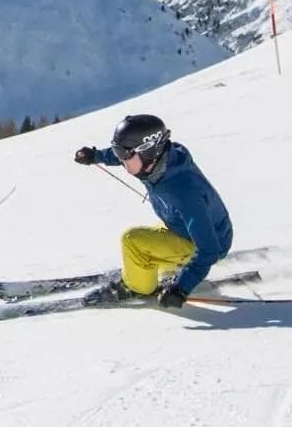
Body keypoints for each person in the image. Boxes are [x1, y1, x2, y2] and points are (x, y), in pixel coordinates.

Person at [71, 113, 233, 308]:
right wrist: (96, 156)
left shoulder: (183, 191)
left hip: (208, 242)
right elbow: (124, 155)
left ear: (148, 151)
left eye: (124, 154)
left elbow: (209, 250)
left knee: (132, 241)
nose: (121, 160)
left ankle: (136, 286)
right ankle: (164, 265)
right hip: (186, 229)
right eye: (117, 151)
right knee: (152, 235)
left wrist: (181, 288)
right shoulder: (160, 161)